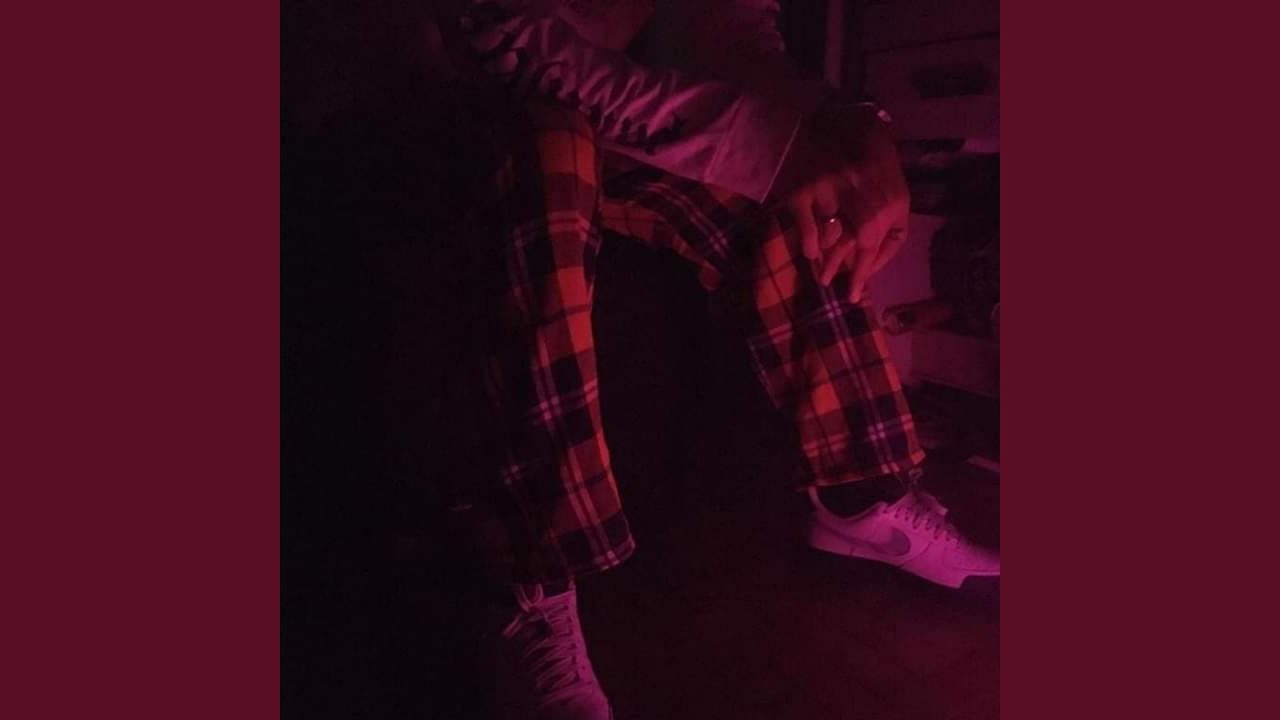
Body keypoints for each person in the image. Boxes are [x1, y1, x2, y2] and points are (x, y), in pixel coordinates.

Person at [420, 2, 1000, 717]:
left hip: (604, 115)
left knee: (801, 202)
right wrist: (782, 150)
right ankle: (533, 571)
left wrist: (850, 126)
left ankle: (863, 496)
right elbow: (509, 43)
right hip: (459, 94)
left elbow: (733, 36)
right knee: (554, 144)